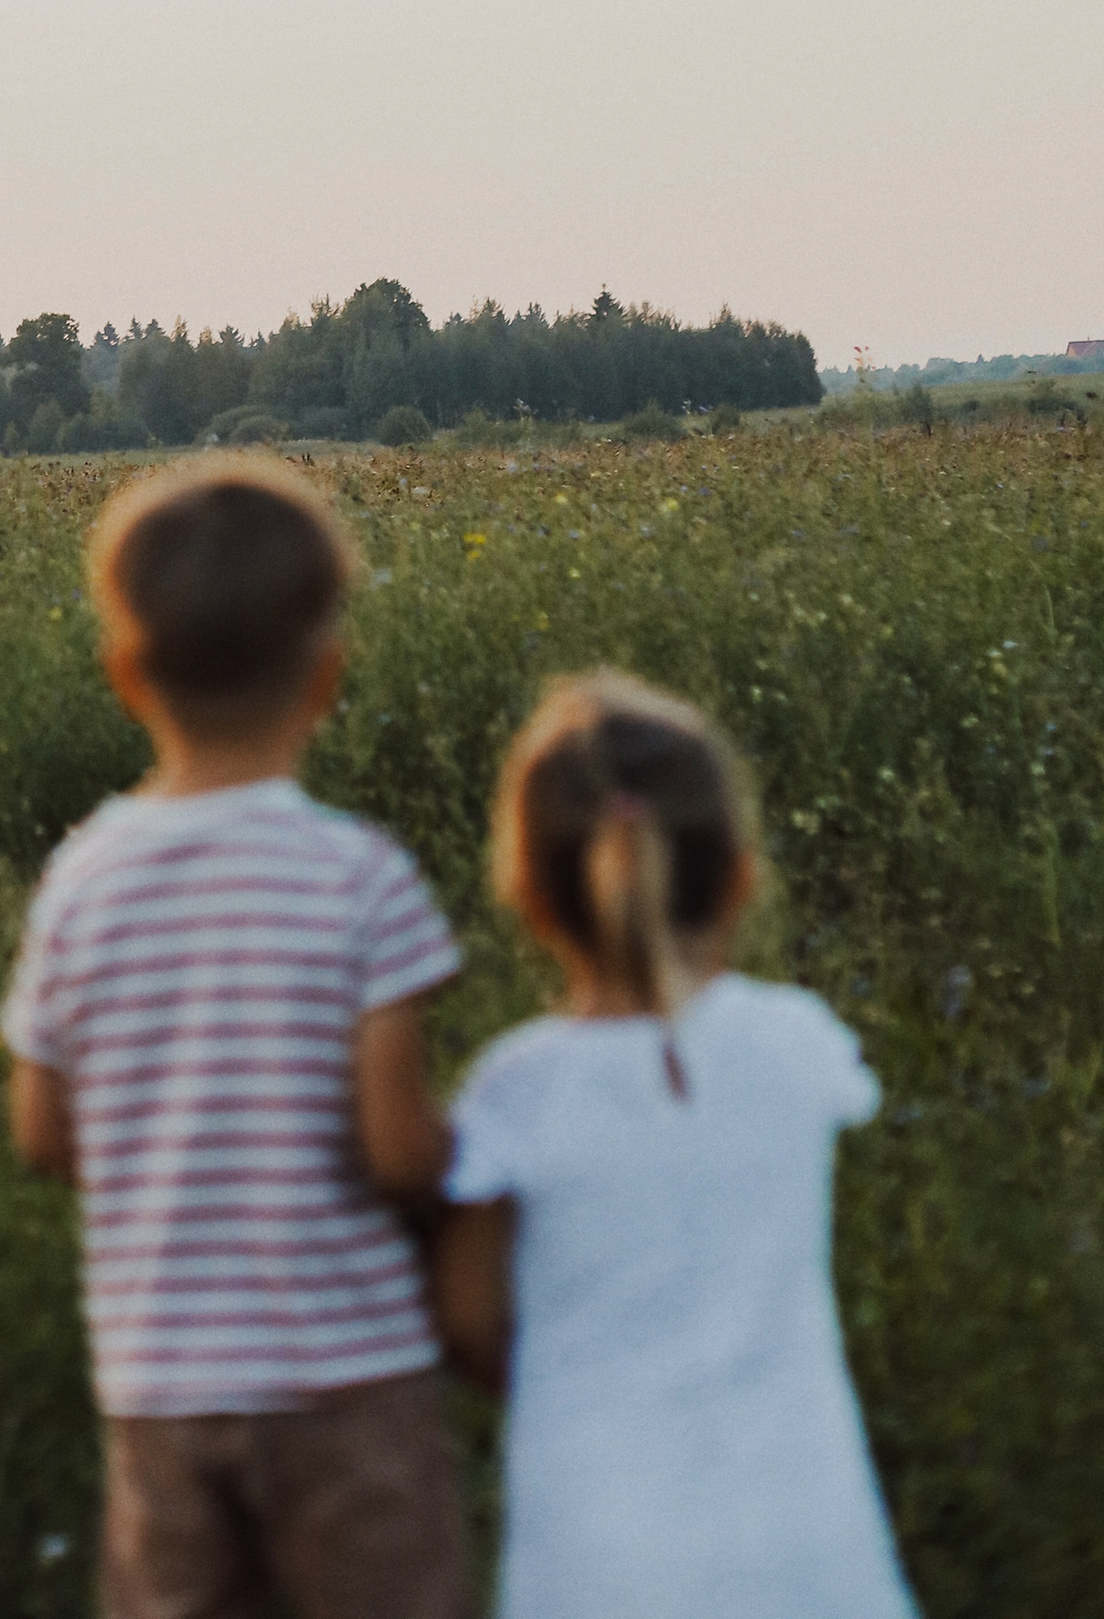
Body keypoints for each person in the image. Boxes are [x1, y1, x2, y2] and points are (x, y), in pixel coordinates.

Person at [2, 456, 470, 1619]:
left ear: (123, 675)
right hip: (347, 1380)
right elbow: (398, 1152)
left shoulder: (79, 883)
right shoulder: (362, 880)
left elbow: (40, 1131)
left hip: (160, 1386)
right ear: (325, 676)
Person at [430, 670, 917, 1619]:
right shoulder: (798, 1045)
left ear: (529, 893)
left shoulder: (514, 1093)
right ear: (739, 874)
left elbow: (469, 1322)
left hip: (599, 1542)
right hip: (804, 1531)